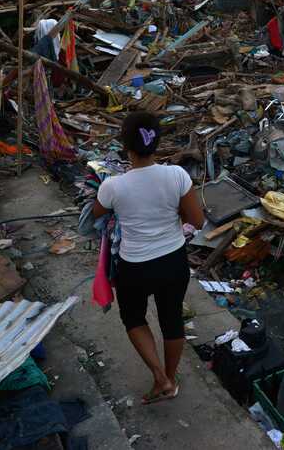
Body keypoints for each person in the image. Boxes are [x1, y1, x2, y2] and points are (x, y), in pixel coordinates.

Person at [91, 111, 204, 404]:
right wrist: (172, 211)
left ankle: (160, 378)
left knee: (133, 318)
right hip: (173, 261)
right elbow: (197, 220)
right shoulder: (177, 175)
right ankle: (171, 378)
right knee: (171, 318)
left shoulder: (113, 186)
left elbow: (96, 215)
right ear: (157, 143)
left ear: (126, 146)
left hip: (135, 267)